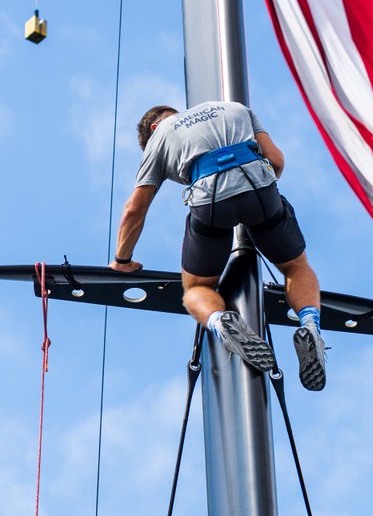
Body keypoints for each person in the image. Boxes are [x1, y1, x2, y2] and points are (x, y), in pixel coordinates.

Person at [109, 100, 326, 390]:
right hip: (260, 191)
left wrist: (122, 260)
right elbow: (277, 161)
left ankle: (221, 322)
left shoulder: (160, 135)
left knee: (197, 288)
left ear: (153, 126)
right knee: (294, 266)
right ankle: (310, 325)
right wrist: (253, 202)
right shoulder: (236, 108)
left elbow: (135, 208)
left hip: (210, 204)